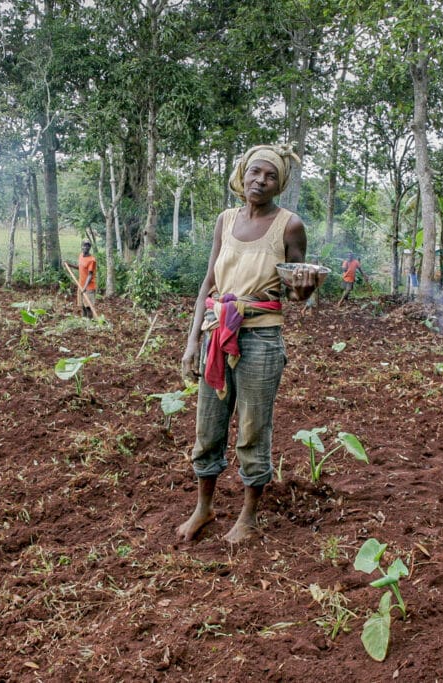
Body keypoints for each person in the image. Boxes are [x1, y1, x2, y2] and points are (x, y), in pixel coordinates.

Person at [177, 144, 321, 545]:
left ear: (280, 185)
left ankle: (248, 516)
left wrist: (305, 291)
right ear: (242, 174)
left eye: (270, 176)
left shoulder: (289, 226)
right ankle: (203, 509)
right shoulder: (225, 220)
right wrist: (192, 342)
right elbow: (209, 283)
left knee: (253, 430)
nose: (260, 180)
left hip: (260, 338)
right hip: (216, 334)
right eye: (255, 172)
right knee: (208, 426)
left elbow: (296, 290)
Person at [69, 240, 97, 318]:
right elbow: (80, 267)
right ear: (81, 246)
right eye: (84, 245)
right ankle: (84, 322)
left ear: (90, 247)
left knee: (88, 307)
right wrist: (70, 265)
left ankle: (90, 324)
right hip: (81, 285)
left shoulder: (92, 260)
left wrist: (84, 287)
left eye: (87, 246)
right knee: (82, 306)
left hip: (89, 287)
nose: (85, 247)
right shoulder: (81, 256)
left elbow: (90, 275)